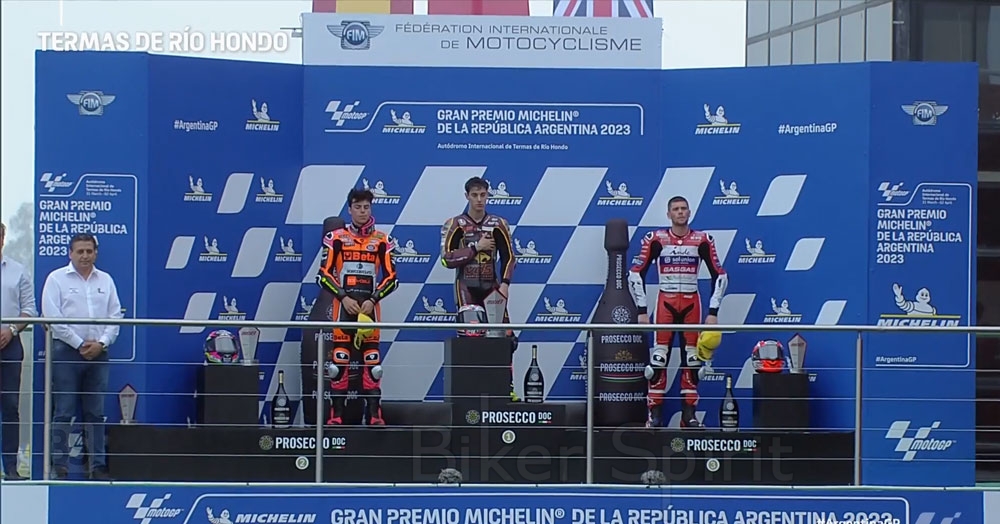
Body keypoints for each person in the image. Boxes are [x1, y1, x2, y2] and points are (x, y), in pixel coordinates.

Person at [627, 196, 728, 429]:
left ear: (689, 212)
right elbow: (636, 273)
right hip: (666, 303)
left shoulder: (702, 239)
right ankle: (654, 416)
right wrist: (642, 310)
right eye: (676, 209)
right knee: (658, 359)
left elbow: (720, 275)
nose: (680, 212)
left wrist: (713, 312)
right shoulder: (656, 238)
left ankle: (688, 416)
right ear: (669, 214)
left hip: (692, 303)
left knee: (692, 361)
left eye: (684, 208)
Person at [41, 233, 122, 479]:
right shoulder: (56, 279)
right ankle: (59, 467)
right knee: (64, 410)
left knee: (95, 412)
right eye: (80, 251)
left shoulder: (106, 280)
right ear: (70, 253)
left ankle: (97, 467)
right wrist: (78, 343)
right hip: (66, 352)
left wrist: (102, 343)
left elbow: (115, 316)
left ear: (96, 253)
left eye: (89, 251)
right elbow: (52, 317)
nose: (85, 256)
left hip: (99, 353)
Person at [318, 188, 398, 426]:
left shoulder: (383, 240)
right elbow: (323, 275)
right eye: (358, 207)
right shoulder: (335, 238)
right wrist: (343, 297)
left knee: (372, 364)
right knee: (339, 363)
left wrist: (373, 300)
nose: (363, 212)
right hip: (344, 307)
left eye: (366, 207)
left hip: (369, 309)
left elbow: (392, 278)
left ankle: (374, 416)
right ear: (350, 209)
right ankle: (336, 417)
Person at [441, 176, 518, 400]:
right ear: (467, 196)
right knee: (471, 338)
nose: (479, 200)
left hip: (492, 287)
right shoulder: (455, 224)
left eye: (483, 195)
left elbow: (509, 257)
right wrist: (476, 247)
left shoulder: (498, 223)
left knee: (506, 338)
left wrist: (505, 284)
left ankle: (506, 387)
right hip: (466, 286)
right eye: (474, 195)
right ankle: (470, 390)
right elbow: (446, 259)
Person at [0, 222, 36, 480]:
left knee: (10, 407)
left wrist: (11, 329)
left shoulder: (18, 271)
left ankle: (11, 468)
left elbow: (29, 309)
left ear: (3, 239)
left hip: (9, 344)